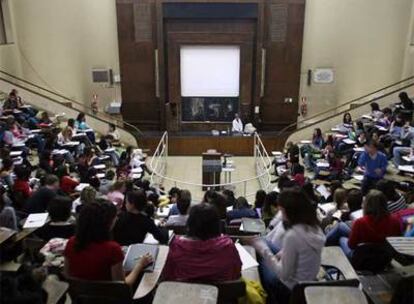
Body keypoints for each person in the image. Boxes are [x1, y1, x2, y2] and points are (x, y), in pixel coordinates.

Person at [249, 188, 325, 304]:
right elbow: (300, 249)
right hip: (308, 278)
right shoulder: (314, 226)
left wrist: (263, 250)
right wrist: (277, 253)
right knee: (263, 241)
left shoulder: (293, 235)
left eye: (282, 211)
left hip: (290, 288)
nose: (280, 214)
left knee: (259, 252)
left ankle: (270, 299)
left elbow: (283, 274)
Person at [64, 202, 153, 286]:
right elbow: (123, 285)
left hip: (81, 296)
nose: (117, 219)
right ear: (108, 222)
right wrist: (140, 265)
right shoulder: (112, 249)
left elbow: (67, 276)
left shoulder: (71, 242)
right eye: (115, 217)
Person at [163, 204, 242, 282]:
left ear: (190, 223)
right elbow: (236, 272)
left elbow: (168, 275)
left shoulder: (176, 247)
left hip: (184, 293)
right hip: (222, 294)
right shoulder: (228, 246)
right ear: (216, 225)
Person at [325, 190, 401, 258]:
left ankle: (323, 245)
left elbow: (351, 245)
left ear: (367, 204)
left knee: (341, 237)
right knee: (341, 226)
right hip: (384, 256)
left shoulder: (361, 222)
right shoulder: (395, 220)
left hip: (360, 257)